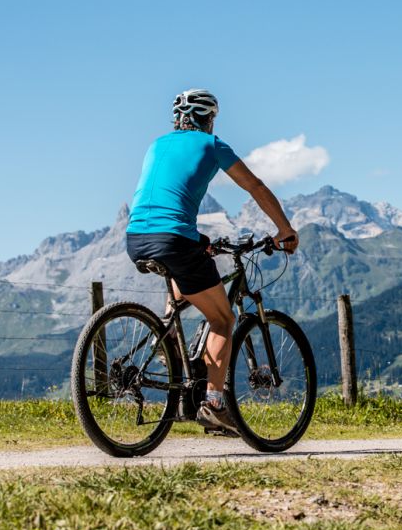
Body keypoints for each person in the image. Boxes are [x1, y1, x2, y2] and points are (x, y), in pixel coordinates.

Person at [125, 88, 299, 436]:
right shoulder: (212, 145)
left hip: (136, 237)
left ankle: (168, 341)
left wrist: (201, 240)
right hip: (173, 238)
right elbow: (255, 186)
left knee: (182, 284)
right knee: (223, 318)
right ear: (208, 118)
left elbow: (166, 201)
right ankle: (215, 404)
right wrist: (284, 228)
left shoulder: (156, 145)